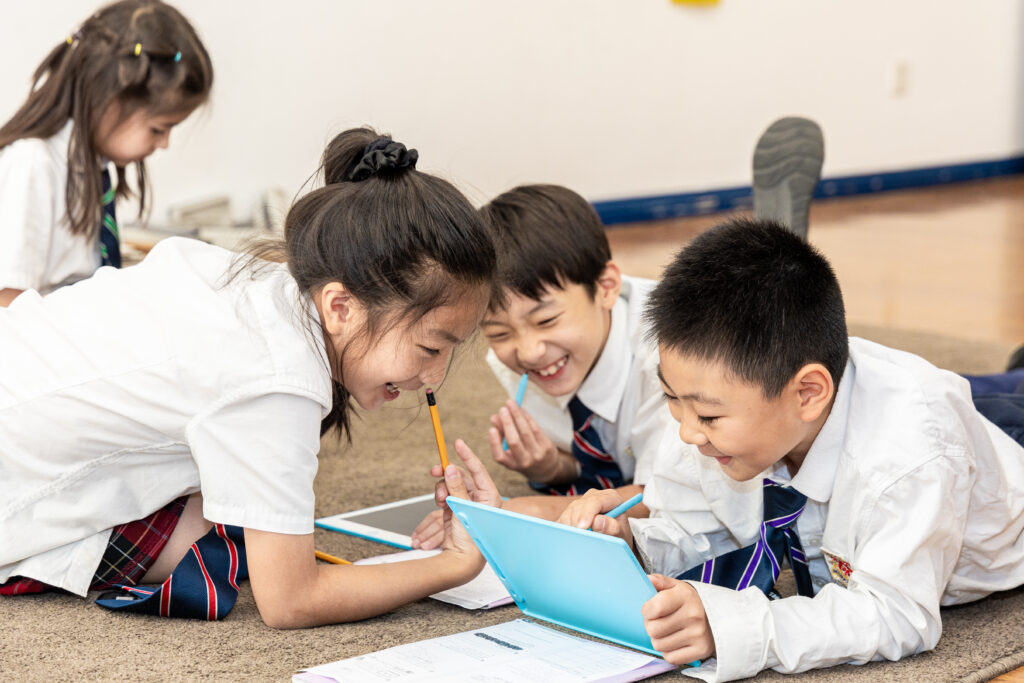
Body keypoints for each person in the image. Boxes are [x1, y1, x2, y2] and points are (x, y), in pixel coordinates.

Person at [0, 127, 504, 627]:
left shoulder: (262, 284)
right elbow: (291, 600)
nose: (435, 376)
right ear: (341, 307)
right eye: (430, 347)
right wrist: (450, 565)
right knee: (229, 532)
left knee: (247, 514)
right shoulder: (277, 380)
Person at [560, 217, 1024, 680]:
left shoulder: (910, 457)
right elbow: (697, 530)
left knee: (992, 403)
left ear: (806, 393)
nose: (685, 432)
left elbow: (897, 616)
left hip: (996, 458)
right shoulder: (705, 409)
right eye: (670, 398)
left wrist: (738, 627)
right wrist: (632, 546)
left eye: (707, 415)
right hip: (872, 408)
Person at [411, 184, 677, 548]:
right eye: (499, 331)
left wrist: (528, 513)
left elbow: (670, 497)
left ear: (606, 286)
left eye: (547, 320)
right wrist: (554, 468)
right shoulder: (515, 362)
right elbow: (618, 458)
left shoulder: (670, 353)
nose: (529, 352)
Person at [0, 0, 213, 307]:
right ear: (109, 102)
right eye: (158, 129)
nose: (164, 143)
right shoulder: (33, 165)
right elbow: (7, 303)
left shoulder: (90, 168)